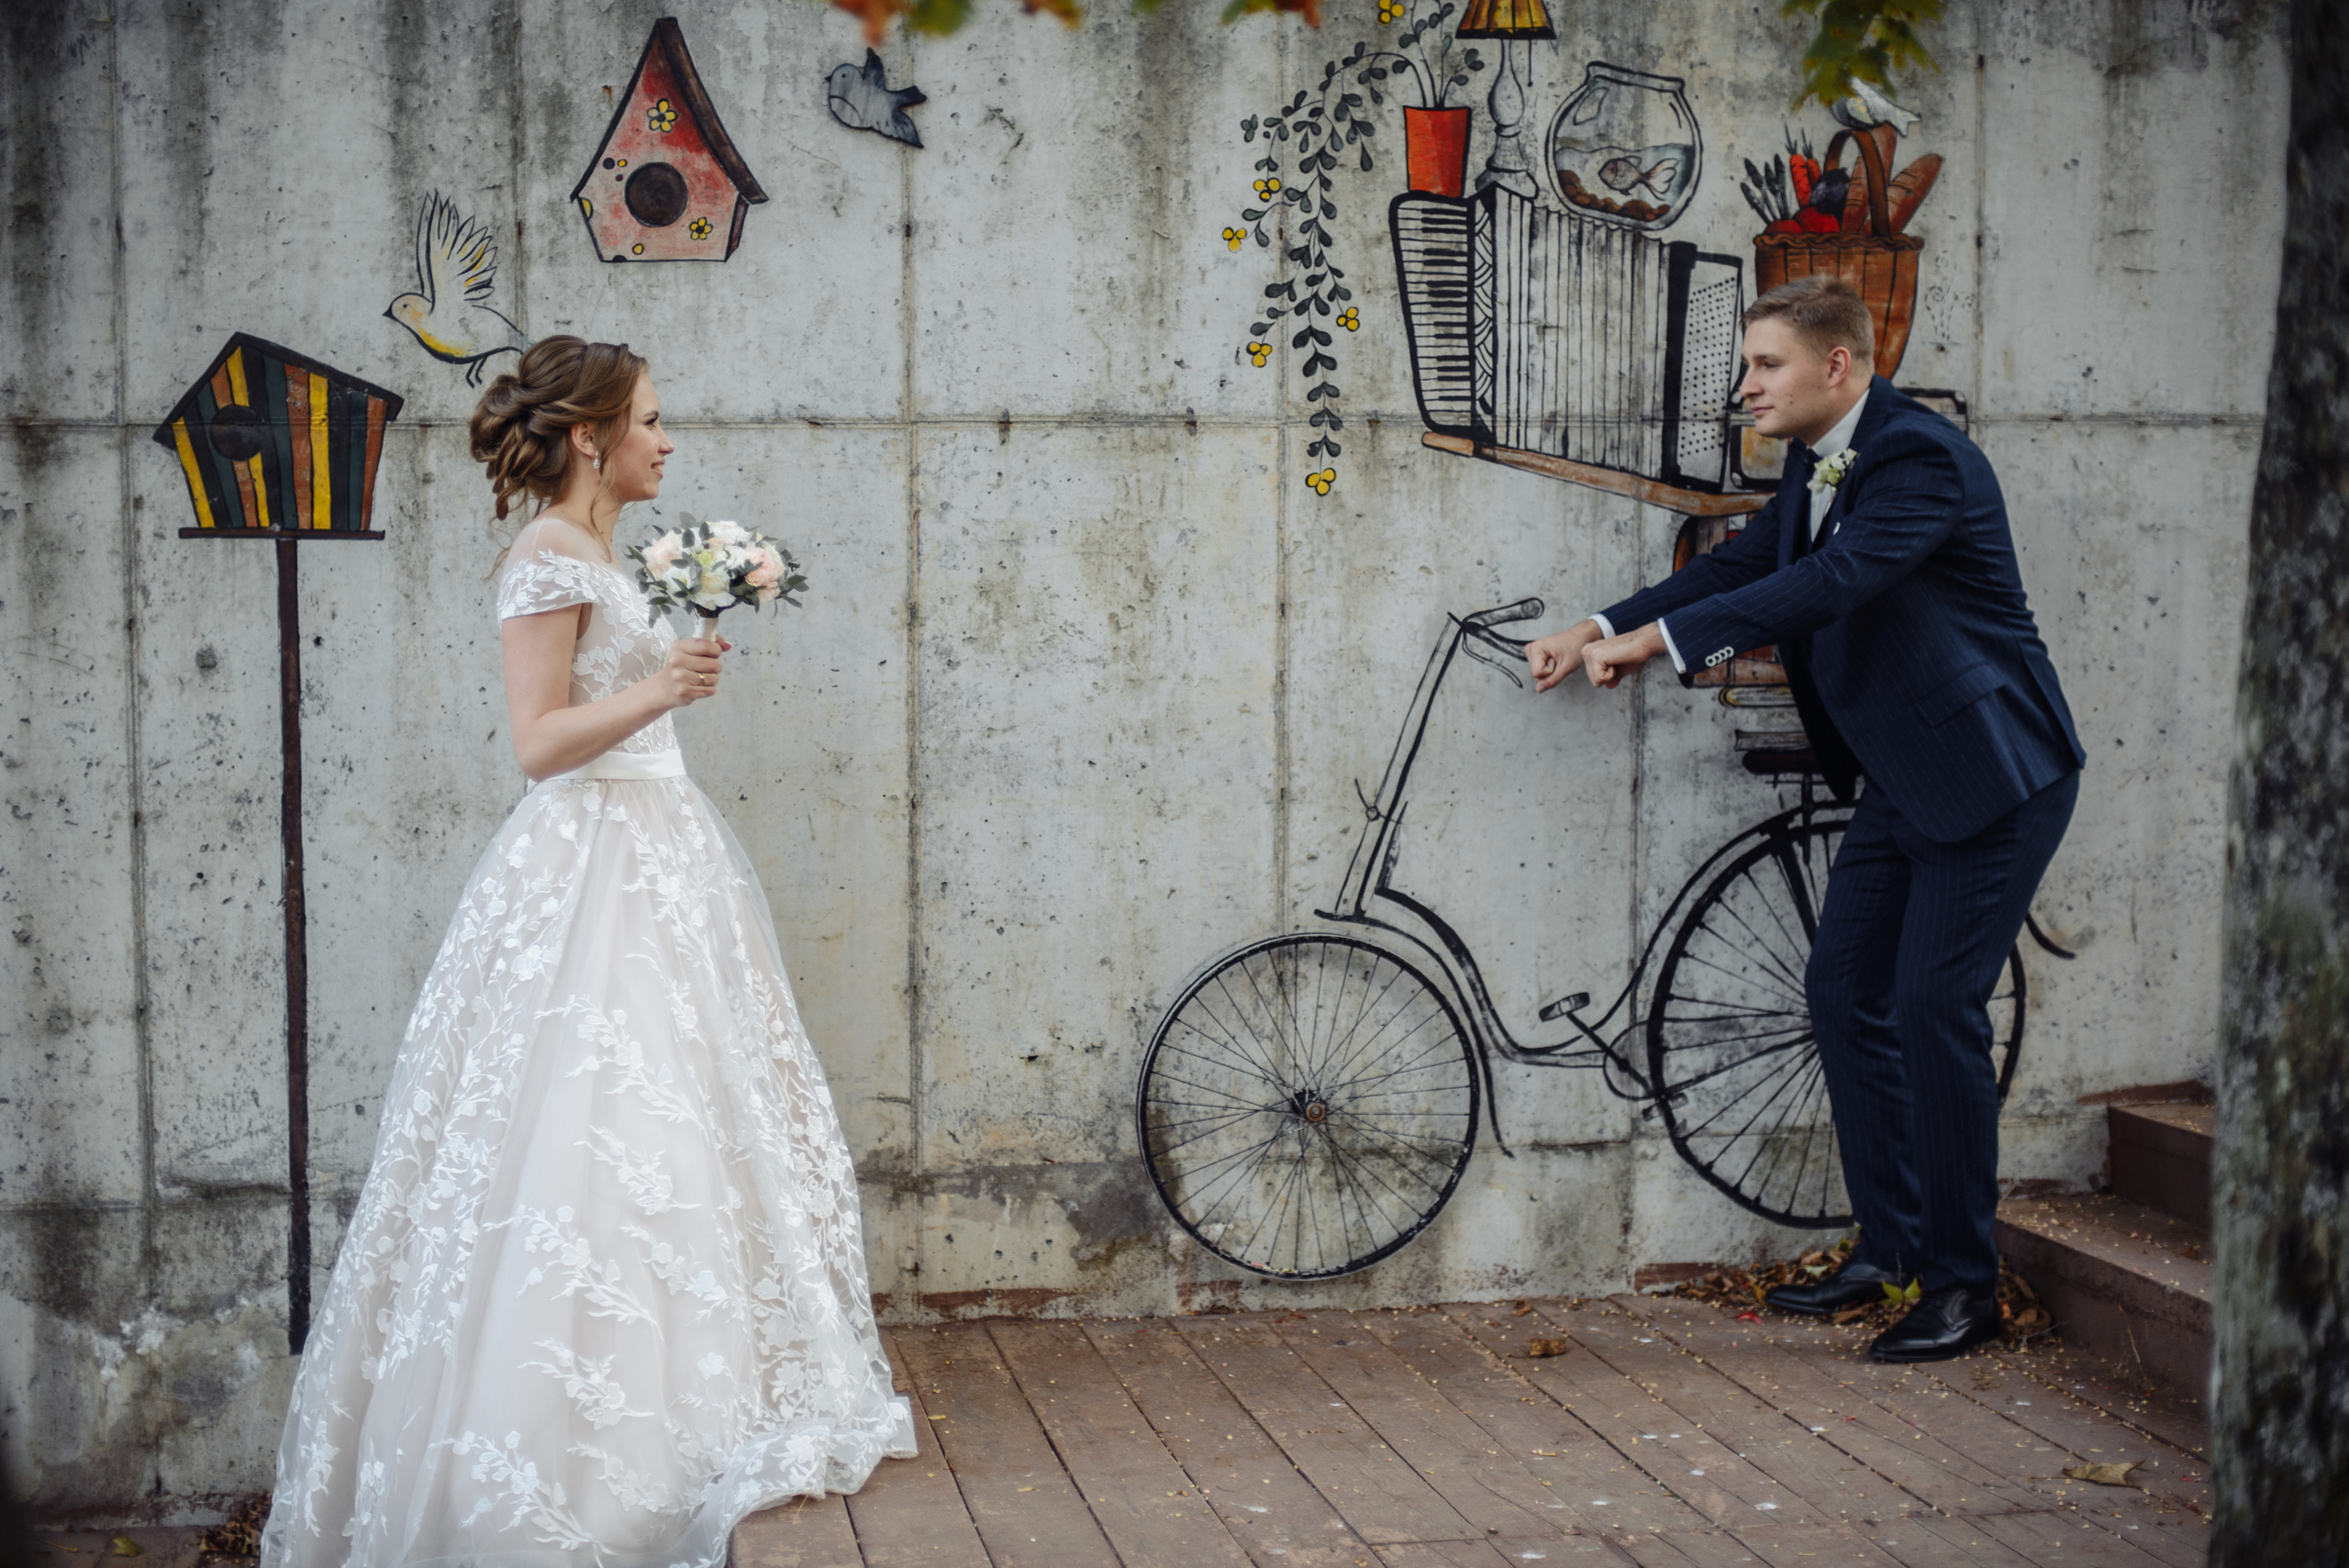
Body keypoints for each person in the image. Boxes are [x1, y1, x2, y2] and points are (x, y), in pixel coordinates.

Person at [259, 339, 916, 1568]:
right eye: (651, 421)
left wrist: (673, 679)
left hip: (663, 852)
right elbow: (540, 740)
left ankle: (676, 1418)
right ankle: (574, 1473)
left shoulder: (601, 553)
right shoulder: (546, 560)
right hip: (592, 861)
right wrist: (664, 685)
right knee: (587, 1138)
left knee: (669, 1135)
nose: (668, 440)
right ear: (587, 438)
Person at [1525, 278, 2085, 1364]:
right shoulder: (1818, 457)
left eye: (1764, 365)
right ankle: (1891, 1244)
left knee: (1932, 1003)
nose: (1745, 387)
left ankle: (1964, 1286)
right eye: (1746, 367)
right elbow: (1748, 562)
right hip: (1902, 774)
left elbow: (1835, 578)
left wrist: (1660, 648)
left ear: (1838, 364)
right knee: (1840, 989)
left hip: (1992, 775)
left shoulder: (1922, 461)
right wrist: (1597, 622)